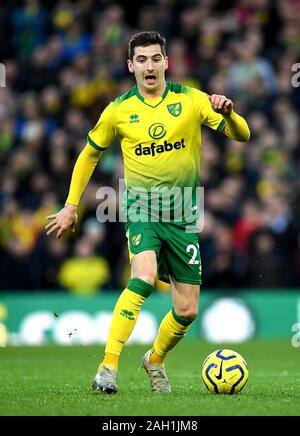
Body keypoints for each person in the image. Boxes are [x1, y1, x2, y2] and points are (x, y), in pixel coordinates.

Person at [45, 31, 250, 394]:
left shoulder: (191, 100)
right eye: (141, 60)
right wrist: (72, 204)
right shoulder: (119, 110)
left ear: (166, 62)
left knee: (187, 311)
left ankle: (154, 360)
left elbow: (242, 136)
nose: (149, 66)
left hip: (183, 214)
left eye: (155, 58)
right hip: (141, 207)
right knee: (143, 275)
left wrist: (230, 114)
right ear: (131, 65)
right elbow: (90, 153)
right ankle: (107, 366)